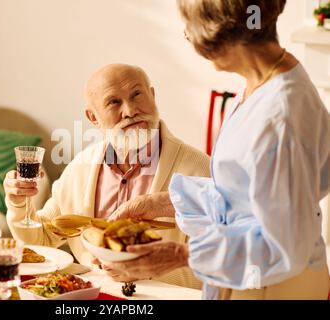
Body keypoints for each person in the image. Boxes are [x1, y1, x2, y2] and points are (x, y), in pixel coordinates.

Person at [102, 0, 330, 300]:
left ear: (220, 30)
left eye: (190, 29)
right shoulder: (261, 83)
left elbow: (284, 244)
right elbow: (247, 196)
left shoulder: (281, 115)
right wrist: (164, 203)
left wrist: (180, 255)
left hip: (274, 287)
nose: (190, 38)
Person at [4, 63, 211, 289]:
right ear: (93, 117)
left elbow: (217, 269)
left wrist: (144, 272)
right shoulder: (80, 168)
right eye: (114, 102)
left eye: (137, 94)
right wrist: (18, 204)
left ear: (152, 95)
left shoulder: (201, 170)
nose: (130, 111)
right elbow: (41, 239)